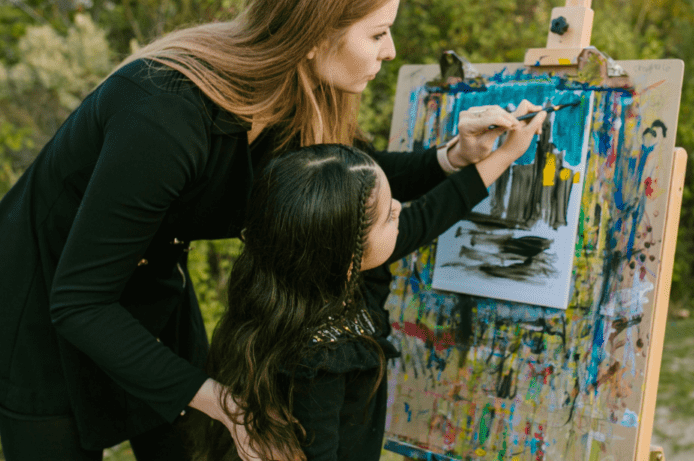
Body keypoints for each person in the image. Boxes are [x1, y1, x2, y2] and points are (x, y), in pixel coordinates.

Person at [0, 0, 534, 460]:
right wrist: (226, 402)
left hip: (151, 290)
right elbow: (78, 299)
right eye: (376, 33)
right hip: (43, 307)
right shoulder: (162, 112)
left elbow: (352, 181)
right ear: (317, 31)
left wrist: (455, 156)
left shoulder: (294, 91)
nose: (390, 50)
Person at [193, 129, 544, 461]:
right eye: (389, 216)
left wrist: (508, 152)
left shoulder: (322, 275)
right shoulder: (317, 363)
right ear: (348, 250)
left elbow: (433, 211)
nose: (400, 211)